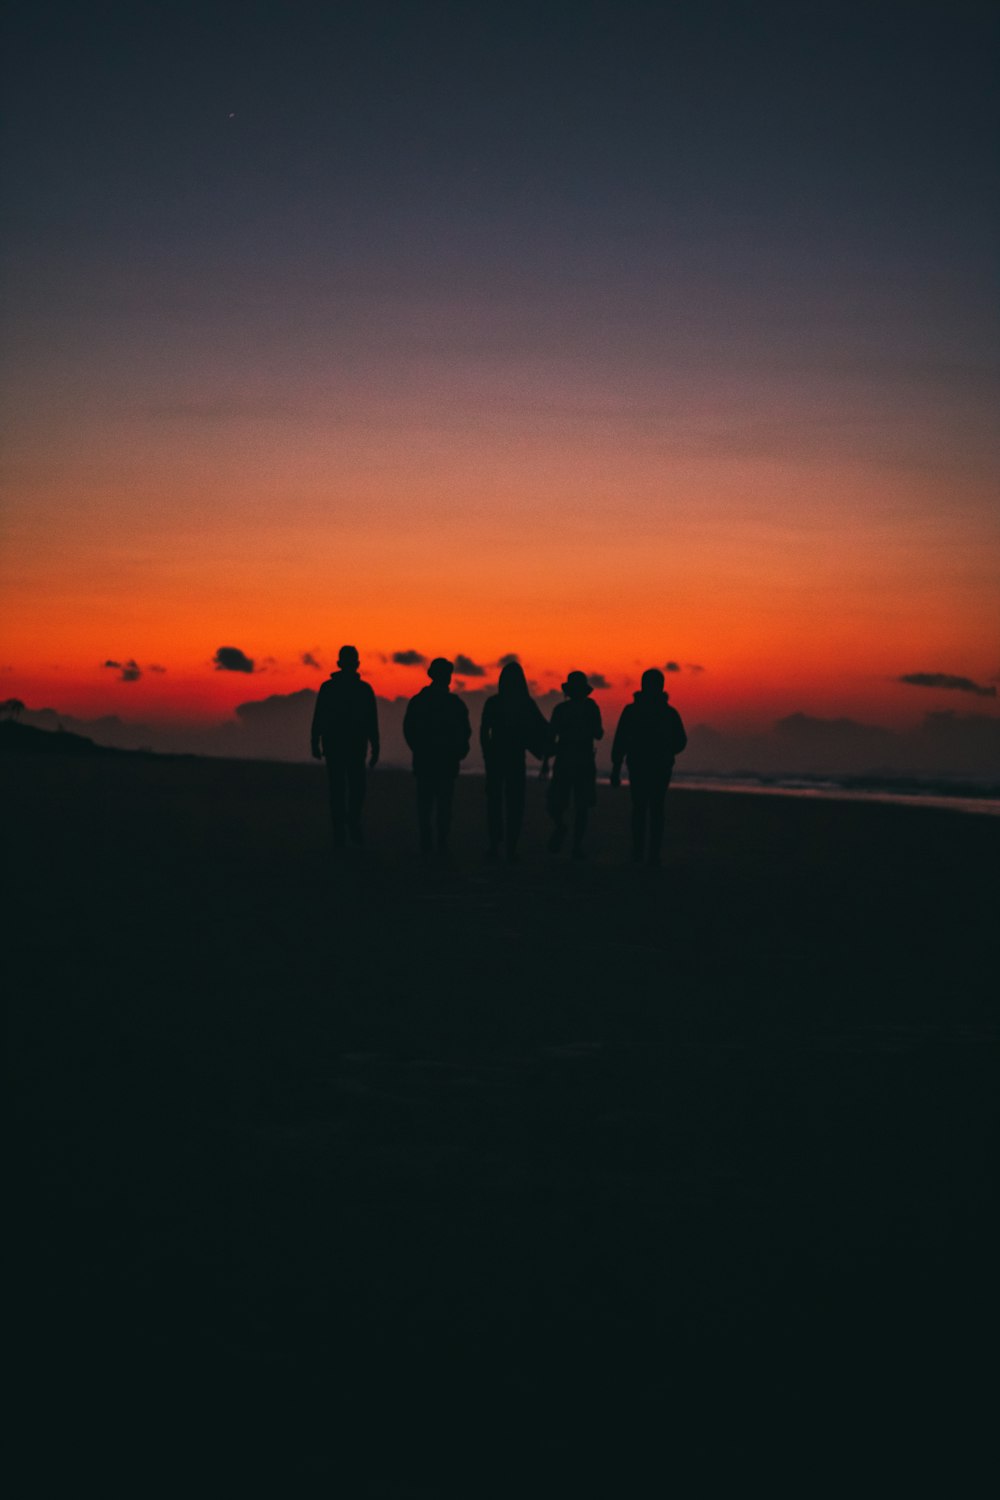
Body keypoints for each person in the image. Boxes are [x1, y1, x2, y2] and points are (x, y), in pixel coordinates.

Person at [610, 668, 687, 865]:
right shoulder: (667, 713)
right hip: (656, 767)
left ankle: (640, 854)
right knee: (655, 810)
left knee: (641, 809)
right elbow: (681, 741)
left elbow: (620, 741)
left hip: (642, 766)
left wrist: (616, 768)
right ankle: (651, 855)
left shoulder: (633, 711)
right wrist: (667, 751)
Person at [310, 644, 380, 848]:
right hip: (346, 747)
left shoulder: (335, 688)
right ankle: (345, 826)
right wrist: (375, 747)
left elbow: (319, 718)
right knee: (347, 789)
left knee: (342, 789)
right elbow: (320, 717)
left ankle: (345, 826)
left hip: (341, 747)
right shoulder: (358, 689)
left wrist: (315, 742)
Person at [479, 661, 549, 860]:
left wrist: (487, 754)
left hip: (497, 760)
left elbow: (484, 733)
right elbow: (543, 728)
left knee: (496, 803)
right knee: (514, 804)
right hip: (514, 759)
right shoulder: (525, 704)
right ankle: (509, 848)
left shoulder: (494, 703)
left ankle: (496, 846)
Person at [403, 657, 471, 855]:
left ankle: (430, 841)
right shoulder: (453, 704)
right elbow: (464, 732)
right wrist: (458, 751)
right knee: (442, 805)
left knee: (427, 805)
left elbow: (409, 730)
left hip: (429, 761)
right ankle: (439, 841)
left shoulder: (420, 701)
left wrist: (419, 749)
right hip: (443, 762)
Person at [542, 671, 603, 858]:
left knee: (559, 803)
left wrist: (546, 761)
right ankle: (575, 845)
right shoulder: (589, 708)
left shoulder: (561, 710)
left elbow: (551, 737)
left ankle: (564, 830)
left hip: (565, 760)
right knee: (580, 806)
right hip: (582, 761)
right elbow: (599, 734)